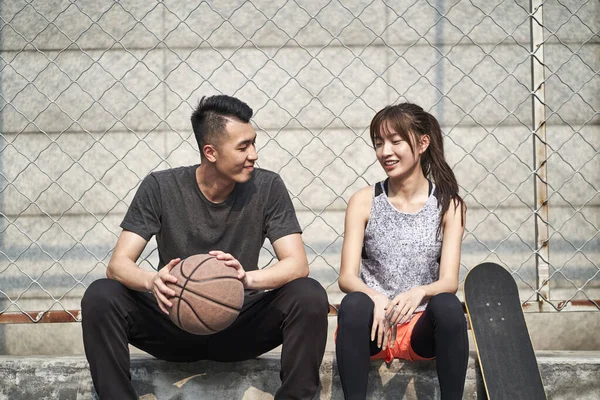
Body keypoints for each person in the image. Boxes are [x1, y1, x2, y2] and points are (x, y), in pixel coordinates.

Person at [81, 95, 329, 399]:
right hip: (173, 322)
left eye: (253, 143)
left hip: (240, 325)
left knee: (308, 294)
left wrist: (246, 279)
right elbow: (118, 264)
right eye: (242, 147)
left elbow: (296, 264)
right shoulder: (160, 187)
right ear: (210, 152)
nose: (253, 154)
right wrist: (153, 281)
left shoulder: (268, 187)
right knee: (101, 295)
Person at [335, 103, 468, 399]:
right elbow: (346, 277)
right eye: (379, 143)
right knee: (353, 304)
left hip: (420, 329)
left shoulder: (450, 205)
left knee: (447, 306)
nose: (385, 152)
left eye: (396, 141)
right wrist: (377, 298)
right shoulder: (363, 200)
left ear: (422, 143)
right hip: (374, 327)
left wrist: (419, 292)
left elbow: (449, 281)